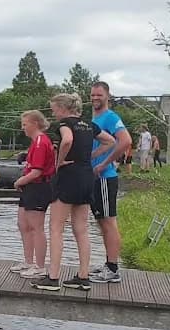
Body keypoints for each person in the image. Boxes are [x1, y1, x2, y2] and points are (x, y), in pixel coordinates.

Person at [32, 93, 115, 292]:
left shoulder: (63, 125)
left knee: (56, 228)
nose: (53, 113)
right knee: (82, 229)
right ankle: (83, 277)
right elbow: (110, 141)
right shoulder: (88, 125)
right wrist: (91, 156)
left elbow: (67, 140)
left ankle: (53, 277)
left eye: (54, 109)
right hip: (86, 176)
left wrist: (59, 161)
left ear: (62, 108)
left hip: (68, 176)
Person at [87, 82, 133, 284]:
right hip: (94, 177)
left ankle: (113, 268)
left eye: (99, 95)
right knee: (101, 222)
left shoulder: (111, 117)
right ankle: (108, 263)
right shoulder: (94, 118)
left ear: (107, 96)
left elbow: (125, 141)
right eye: (92, 95)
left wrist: (104, 162)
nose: (95, 98)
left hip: (105, 176)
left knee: (109, 222)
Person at [12, 110, 55, 279]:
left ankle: (40, 266)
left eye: (25, 124)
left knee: (37, 227)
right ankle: (28, 261)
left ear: (35, 124)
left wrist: (19, 181)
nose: (23, 128)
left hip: (38, 187)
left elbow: (37, 171)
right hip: (29, 188)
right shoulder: (34, 142)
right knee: (23, 224)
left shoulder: (40, 142)